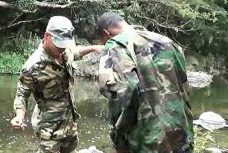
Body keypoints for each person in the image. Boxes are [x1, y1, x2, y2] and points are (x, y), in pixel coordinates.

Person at [95, 12, 194, 152]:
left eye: (102, 41)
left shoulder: (115, 45)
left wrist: (119, 136)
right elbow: (185, 89)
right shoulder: (167, 42)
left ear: (106, 33)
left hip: (145, 140)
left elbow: (122, 93)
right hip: (180, 134)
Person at [11, 16, 102, 153]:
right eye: (59, 45)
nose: (62, 49)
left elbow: (75, 52)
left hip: (69, 122)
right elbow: (21, 95)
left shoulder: (65, 51)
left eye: (65, 45)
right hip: (49, 128)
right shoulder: (33, 67)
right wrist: (19, 116)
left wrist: (93, 48)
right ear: (47, 36)